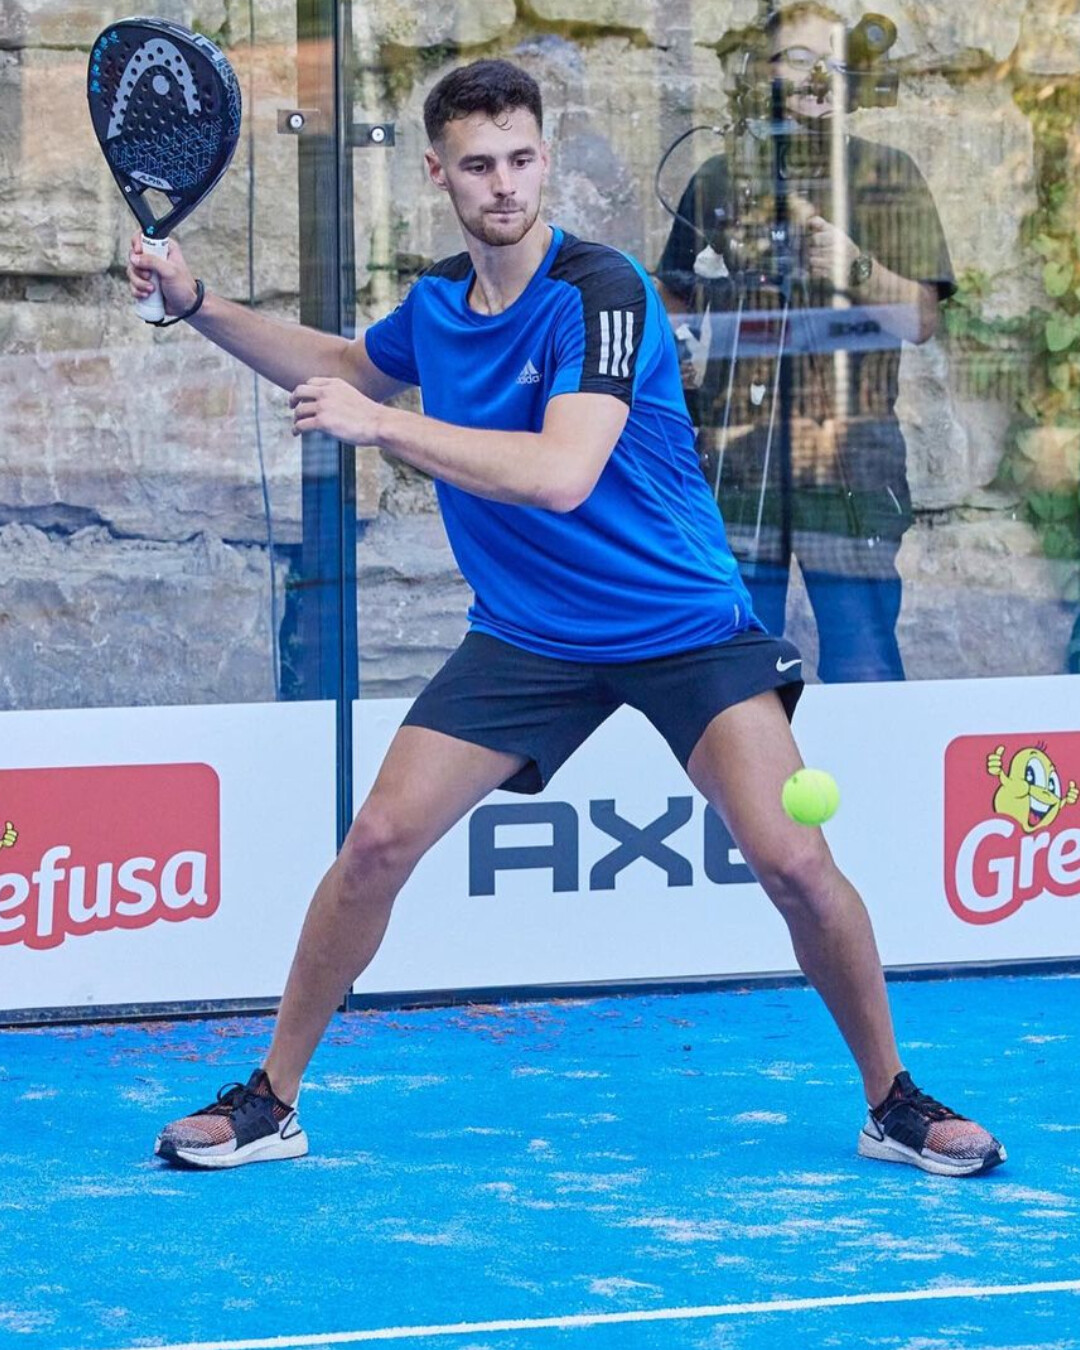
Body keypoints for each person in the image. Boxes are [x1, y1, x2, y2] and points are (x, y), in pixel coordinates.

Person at [129, 59, 1003, 1176]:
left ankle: (892, 1100)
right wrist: (199, 306)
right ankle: (272, 1099)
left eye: (523, 159)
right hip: (530, 637)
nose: (505, 184)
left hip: (682, 623)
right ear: (439, 175)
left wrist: (383, 431)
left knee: (791, 861)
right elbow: (350, 364)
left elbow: (560, 472)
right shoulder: (440, 306)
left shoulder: (605, 289)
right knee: (378, 843)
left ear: (545, 158)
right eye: (480, 165)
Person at [656, 2, 955, 682]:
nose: (816, 75)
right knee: (736, 664)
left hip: (849, 462)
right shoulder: (722, 177)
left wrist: (852, 266)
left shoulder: (887, 176)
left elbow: (920, 321)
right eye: (797, 58)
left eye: (832, 60)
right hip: (740, 463)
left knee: (864, 657)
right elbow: (671, 294)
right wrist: (688, 350)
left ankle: (878, 788)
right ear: (766, 74)